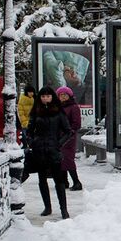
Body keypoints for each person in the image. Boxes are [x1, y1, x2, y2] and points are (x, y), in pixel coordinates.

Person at [26, 86, 72, 219]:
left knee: (59, 180)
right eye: (43, 96)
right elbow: (29, 131)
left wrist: (58, 143)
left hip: (53, 150)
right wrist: (32, 142)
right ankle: (47, 207)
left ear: (52, 97)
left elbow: (68, 131)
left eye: (48, 96)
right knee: (42, 179)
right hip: (39, 150)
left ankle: (64, 209)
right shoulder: (36, 112)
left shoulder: (58, 112)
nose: (45, 99)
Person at [57, 86, 83, 191]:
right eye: (61, 95)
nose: (63, 97)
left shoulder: (73, 107)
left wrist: (69, 133)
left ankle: (76, 182)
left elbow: (76, 123)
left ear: (69, 96)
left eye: (65, 95)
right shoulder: (58, 107)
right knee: (61, 159)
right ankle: (64, 181)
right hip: (59, 137)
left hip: (69, 138)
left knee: (68, 159)